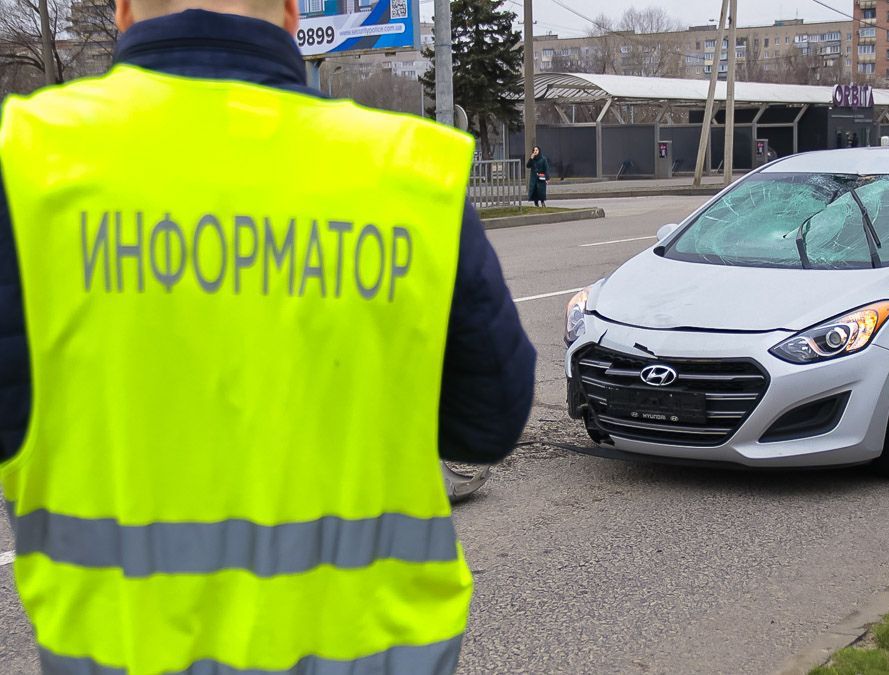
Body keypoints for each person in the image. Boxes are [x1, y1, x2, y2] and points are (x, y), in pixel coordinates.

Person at [0, 1, 536, 672]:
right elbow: (488, 424)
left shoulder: (25, 160)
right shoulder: (408, 174)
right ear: (289, 13)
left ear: (124, 10)